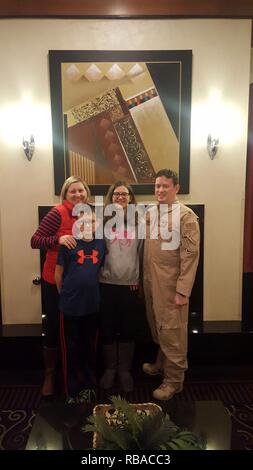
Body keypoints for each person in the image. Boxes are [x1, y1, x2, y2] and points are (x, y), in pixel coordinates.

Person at [143, 169, 200, 401]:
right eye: (157, 186)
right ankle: (162, 363)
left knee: (173, 330)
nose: (160, 190)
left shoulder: (186, 217)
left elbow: (190, 255)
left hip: (170, 285)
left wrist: (182, 291)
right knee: (158, 325)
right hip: (150, 281)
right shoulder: (150, 212)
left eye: (165, 186)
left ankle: (174, 381)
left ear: (176, 188)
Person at [31, 176, 90, 397]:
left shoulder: (88, 213)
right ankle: (49, 374)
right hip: (54, 283)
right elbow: (35, 240)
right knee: (54, 329)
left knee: (77, 330)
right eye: (72, 191)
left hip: (80, 284)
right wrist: (58, 239)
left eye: (81, 191)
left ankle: (75, 372)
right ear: (65, 194)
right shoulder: (57, 213)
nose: (77, 195)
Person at [55, 205, 105, 403]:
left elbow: (100, 270)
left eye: (92, 221)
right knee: (71, 349)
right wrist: (65, 296)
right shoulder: (69, 244)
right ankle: (71, 391)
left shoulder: (101, 244)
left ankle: (88, 387)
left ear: (98, 223)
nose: (88, 225)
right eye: (83, 221)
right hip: (70, 306)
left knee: (89, 347)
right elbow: (58, 274)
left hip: (92, 306)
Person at [99, 181, 143, 393]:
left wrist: (140, 280)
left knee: (127, 327)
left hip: (130, 284)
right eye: (116, 194)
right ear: (111, 197)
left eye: (125, 195)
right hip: (106, 283)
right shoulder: (102, 221)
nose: (120, 198)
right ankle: (110, 369)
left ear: (131, 199)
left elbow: (144, 254)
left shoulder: (139, 221)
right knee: (107, 327)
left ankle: (124, 370)